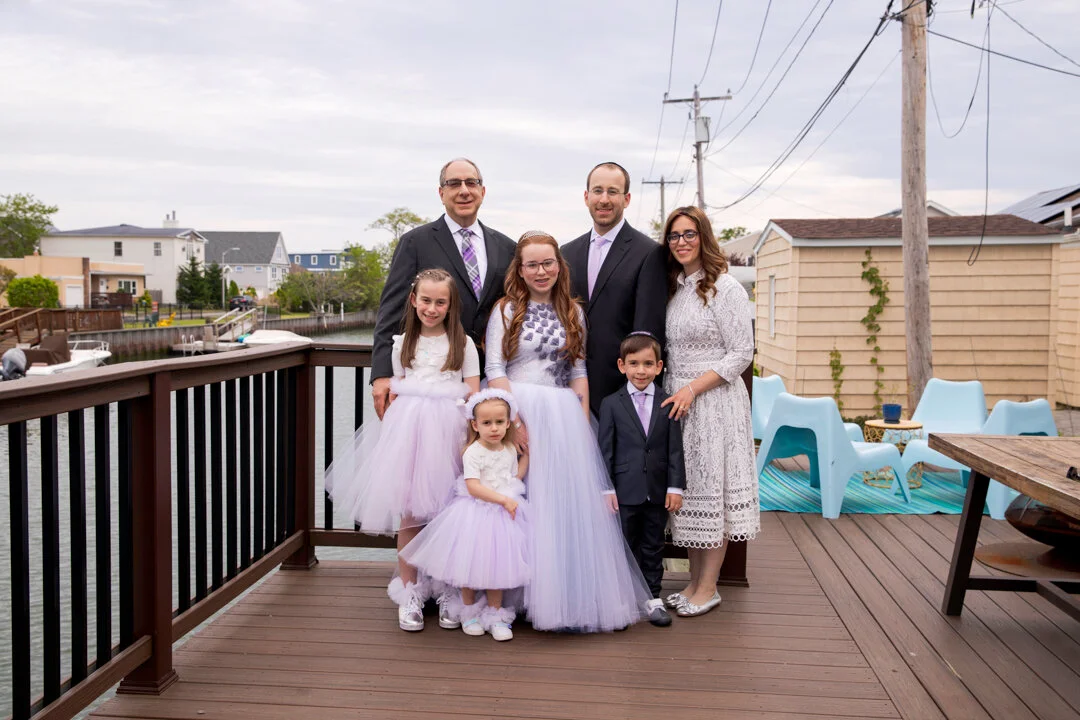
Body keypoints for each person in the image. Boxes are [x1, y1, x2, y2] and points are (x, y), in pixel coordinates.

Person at [485, 231, 653, 632]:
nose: (541, 271)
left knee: (560, 507)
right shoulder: (506, 310)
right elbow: (494, 368)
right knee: (520, 501)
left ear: (559, 267)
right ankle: (509, 596)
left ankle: (558, 596)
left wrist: (580, 424)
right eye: (532, 264)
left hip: (562, 416)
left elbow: (578, 372)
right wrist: (514, 422)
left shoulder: (573, 312)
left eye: (548, 263)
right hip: (518, 412)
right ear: (520, 270)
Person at [324, 268, 479, 632]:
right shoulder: (402, 344)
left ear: (450, 305)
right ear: (413, 300)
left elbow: (473, 393)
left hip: (451, 436)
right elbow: (398, 390)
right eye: (425, 300)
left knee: (448, 513)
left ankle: (447, 589)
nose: (432, 308)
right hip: (410, 437)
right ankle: (410, 591)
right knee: (410, 515)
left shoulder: (464, 343)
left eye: (440, 302)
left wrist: (468, 440)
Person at [658, 206, 759, 618]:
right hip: (679, 403)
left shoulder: (726, 288)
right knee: (691, 491)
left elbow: (741, 353)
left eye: (689, 234)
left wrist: (693, 388)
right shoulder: (677, 288)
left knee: (712, 491)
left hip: (714, 402)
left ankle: (709, 587)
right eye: (674, 235)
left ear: (704, 238)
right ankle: (693, 582)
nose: (681, 242)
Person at [371, 157, 517, 420]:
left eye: (471, 182)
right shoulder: (415, 242)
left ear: (482, 191)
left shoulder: (506, 247)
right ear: (441, 193)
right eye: (454, 184)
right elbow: (390, 311)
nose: (464, 190)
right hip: (433, 387)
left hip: (492, 381)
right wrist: (382, 374)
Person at [400, 390, 529, 642]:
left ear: (508, 423)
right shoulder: (472, 452)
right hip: (476, 514)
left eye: (500, 422)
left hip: (502, 518)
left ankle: (495, 614)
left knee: (498, 566)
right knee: (469, 566)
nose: (494, 428)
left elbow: (514, 476)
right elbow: (473, 486)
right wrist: (503, 499)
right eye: (487, 423)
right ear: (475, 425)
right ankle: (469, 613)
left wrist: (528, 457)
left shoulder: (509, 449)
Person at [562, 161, 668, 417]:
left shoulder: (649, 253)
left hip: (620, 392)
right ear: (586, 197)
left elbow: (648, 330)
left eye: (613, 191)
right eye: (597, 191)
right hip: (567, 390)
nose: (604, 199)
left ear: (626, 199)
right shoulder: (566, 253)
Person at [597, 331, 686, 627]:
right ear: (622, 365)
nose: (641, 370)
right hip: (624, 491)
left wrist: (675, 487)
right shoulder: (611, 404)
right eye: (634, 363)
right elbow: (605, 450)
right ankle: (622, 600)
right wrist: (606, 488)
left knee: (653, 544)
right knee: (623, 545)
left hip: (658, 491)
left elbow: (675, 449)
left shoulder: (668, 403)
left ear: (659, 366)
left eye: (648, 364)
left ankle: (652, 597)